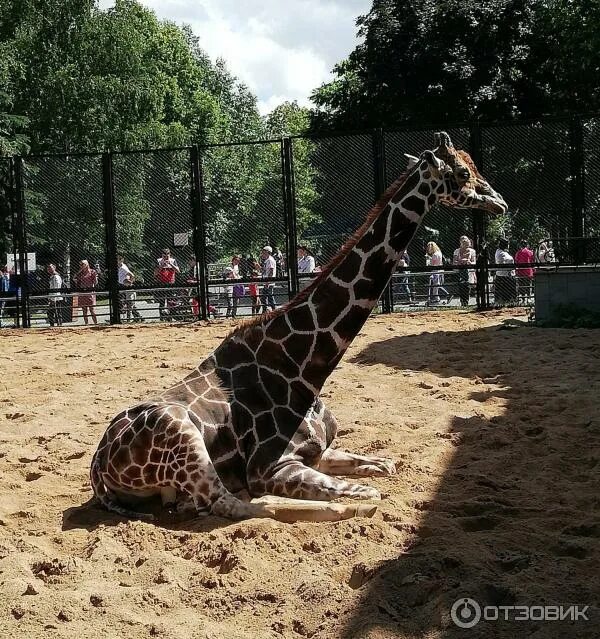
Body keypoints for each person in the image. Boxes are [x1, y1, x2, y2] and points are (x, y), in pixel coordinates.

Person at [154, 248, 180, 319]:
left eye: (167, 256)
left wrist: (171, 264)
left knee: (171, 301)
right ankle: (162, 318)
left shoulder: (173, 260)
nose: (165, 258)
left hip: (171, 283)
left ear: (169, 255)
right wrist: (162, 265)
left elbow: (178, 271)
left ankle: (170, 317)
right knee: (162, 301)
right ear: (162, 256)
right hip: (161, 283)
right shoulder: (159, 261)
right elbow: (155, 273)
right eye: (164, 256)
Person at [453, 235, 477, 307]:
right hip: (460, 270)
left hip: (469, 271)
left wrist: (469, 262)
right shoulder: (456, 251)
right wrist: (460, 262)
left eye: (465, 240)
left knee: (467, 287)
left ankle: (466, 303)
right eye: (462, 240)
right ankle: (462, 302)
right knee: (461, 287)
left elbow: (474, 262)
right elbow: (454, 262)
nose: (464, 241)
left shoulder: (472, 251)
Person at [117, 255, 143, 322]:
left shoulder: (123, 268)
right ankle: (139, 317)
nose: (116, 261)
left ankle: (129, 319)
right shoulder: (119, 267)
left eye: (118, 260)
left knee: (129, 304)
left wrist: (130, 283)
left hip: (126, 286)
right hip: (122, 286)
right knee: (130, 304)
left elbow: (132, 275)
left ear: (121, 260)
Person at [74, 259, 98, 325]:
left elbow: (95, 283)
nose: (81, 266)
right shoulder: (80, 273)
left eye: (82, 264)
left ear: (87, 264)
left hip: (90, 292)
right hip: (82, 293)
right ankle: (86, 324)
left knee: (92, 309)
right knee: (84, 310)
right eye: (80, 264)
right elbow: (74, 278)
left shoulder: (92, 271)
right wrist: (80, 271)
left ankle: (96, 324)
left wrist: (96, 277)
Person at [494, 238, 517, 304]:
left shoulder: (504, 252)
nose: (508, 246)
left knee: (510, 293)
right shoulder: (500, 253)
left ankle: (510, 303)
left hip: (509, 275)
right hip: (504, 276)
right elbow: (502, 264)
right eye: (508, 244)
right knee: (505, 294)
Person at [260, 245, 277, 313]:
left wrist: (267, 282)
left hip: (269, 282)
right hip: (267, 282)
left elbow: (271, 271)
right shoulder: (267, 260)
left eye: (264, 252)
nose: (262, 253)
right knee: (266, 297)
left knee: (268, 297)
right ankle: (267, 310)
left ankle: (273, 309)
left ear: (268, 252)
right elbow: (265, 271)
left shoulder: (270, 260)